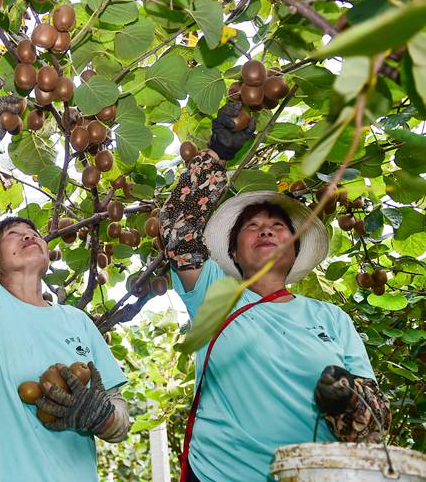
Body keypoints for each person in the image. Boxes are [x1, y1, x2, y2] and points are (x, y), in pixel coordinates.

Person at [159, 101, 391, 482]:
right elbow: (178, 229)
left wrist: (349, 400)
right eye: (252, 226)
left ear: (295, 246)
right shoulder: (215, 294)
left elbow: (373, 428)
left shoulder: (331, 319)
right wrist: (217, 155)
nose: (266, 230)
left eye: (278, 225)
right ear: (232, 252)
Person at [0, 83, 130, 481]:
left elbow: (122, 416)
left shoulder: (77, 322)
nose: (29, 236)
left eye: (34, 233)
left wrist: (102, 417)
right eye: (13, 235)